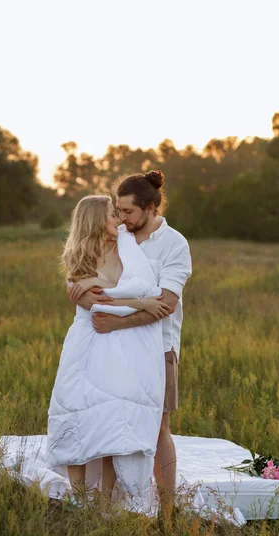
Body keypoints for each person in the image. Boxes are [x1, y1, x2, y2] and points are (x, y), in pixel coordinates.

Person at [70, 170, 192, 509]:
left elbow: (166, 304)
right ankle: (113, 499)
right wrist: (76, 288)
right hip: (110, 349)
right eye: (118, 211)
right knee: (109, 418)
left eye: (128, 212)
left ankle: (166, 509)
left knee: (158, 426)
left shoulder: (174, 245)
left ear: (151, 208)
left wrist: (116, 323)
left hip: (158, 347)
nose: (121, 218)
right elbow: (83, 268)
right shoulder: (117, 234)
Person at [46, 194, 172, 510]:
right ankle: (79, 496)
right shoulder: (79, 256)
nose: (118, 219)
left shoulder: (125, 248)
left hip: (117, 342)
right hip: (87, 341)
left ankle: (104, 498)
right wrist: (141, 302)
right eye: (112, 214)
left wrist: (127, 295)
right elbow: (93, 302)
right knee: (77, 412)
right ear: (96, 219)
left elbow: (125, 289)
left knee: (111, 418)